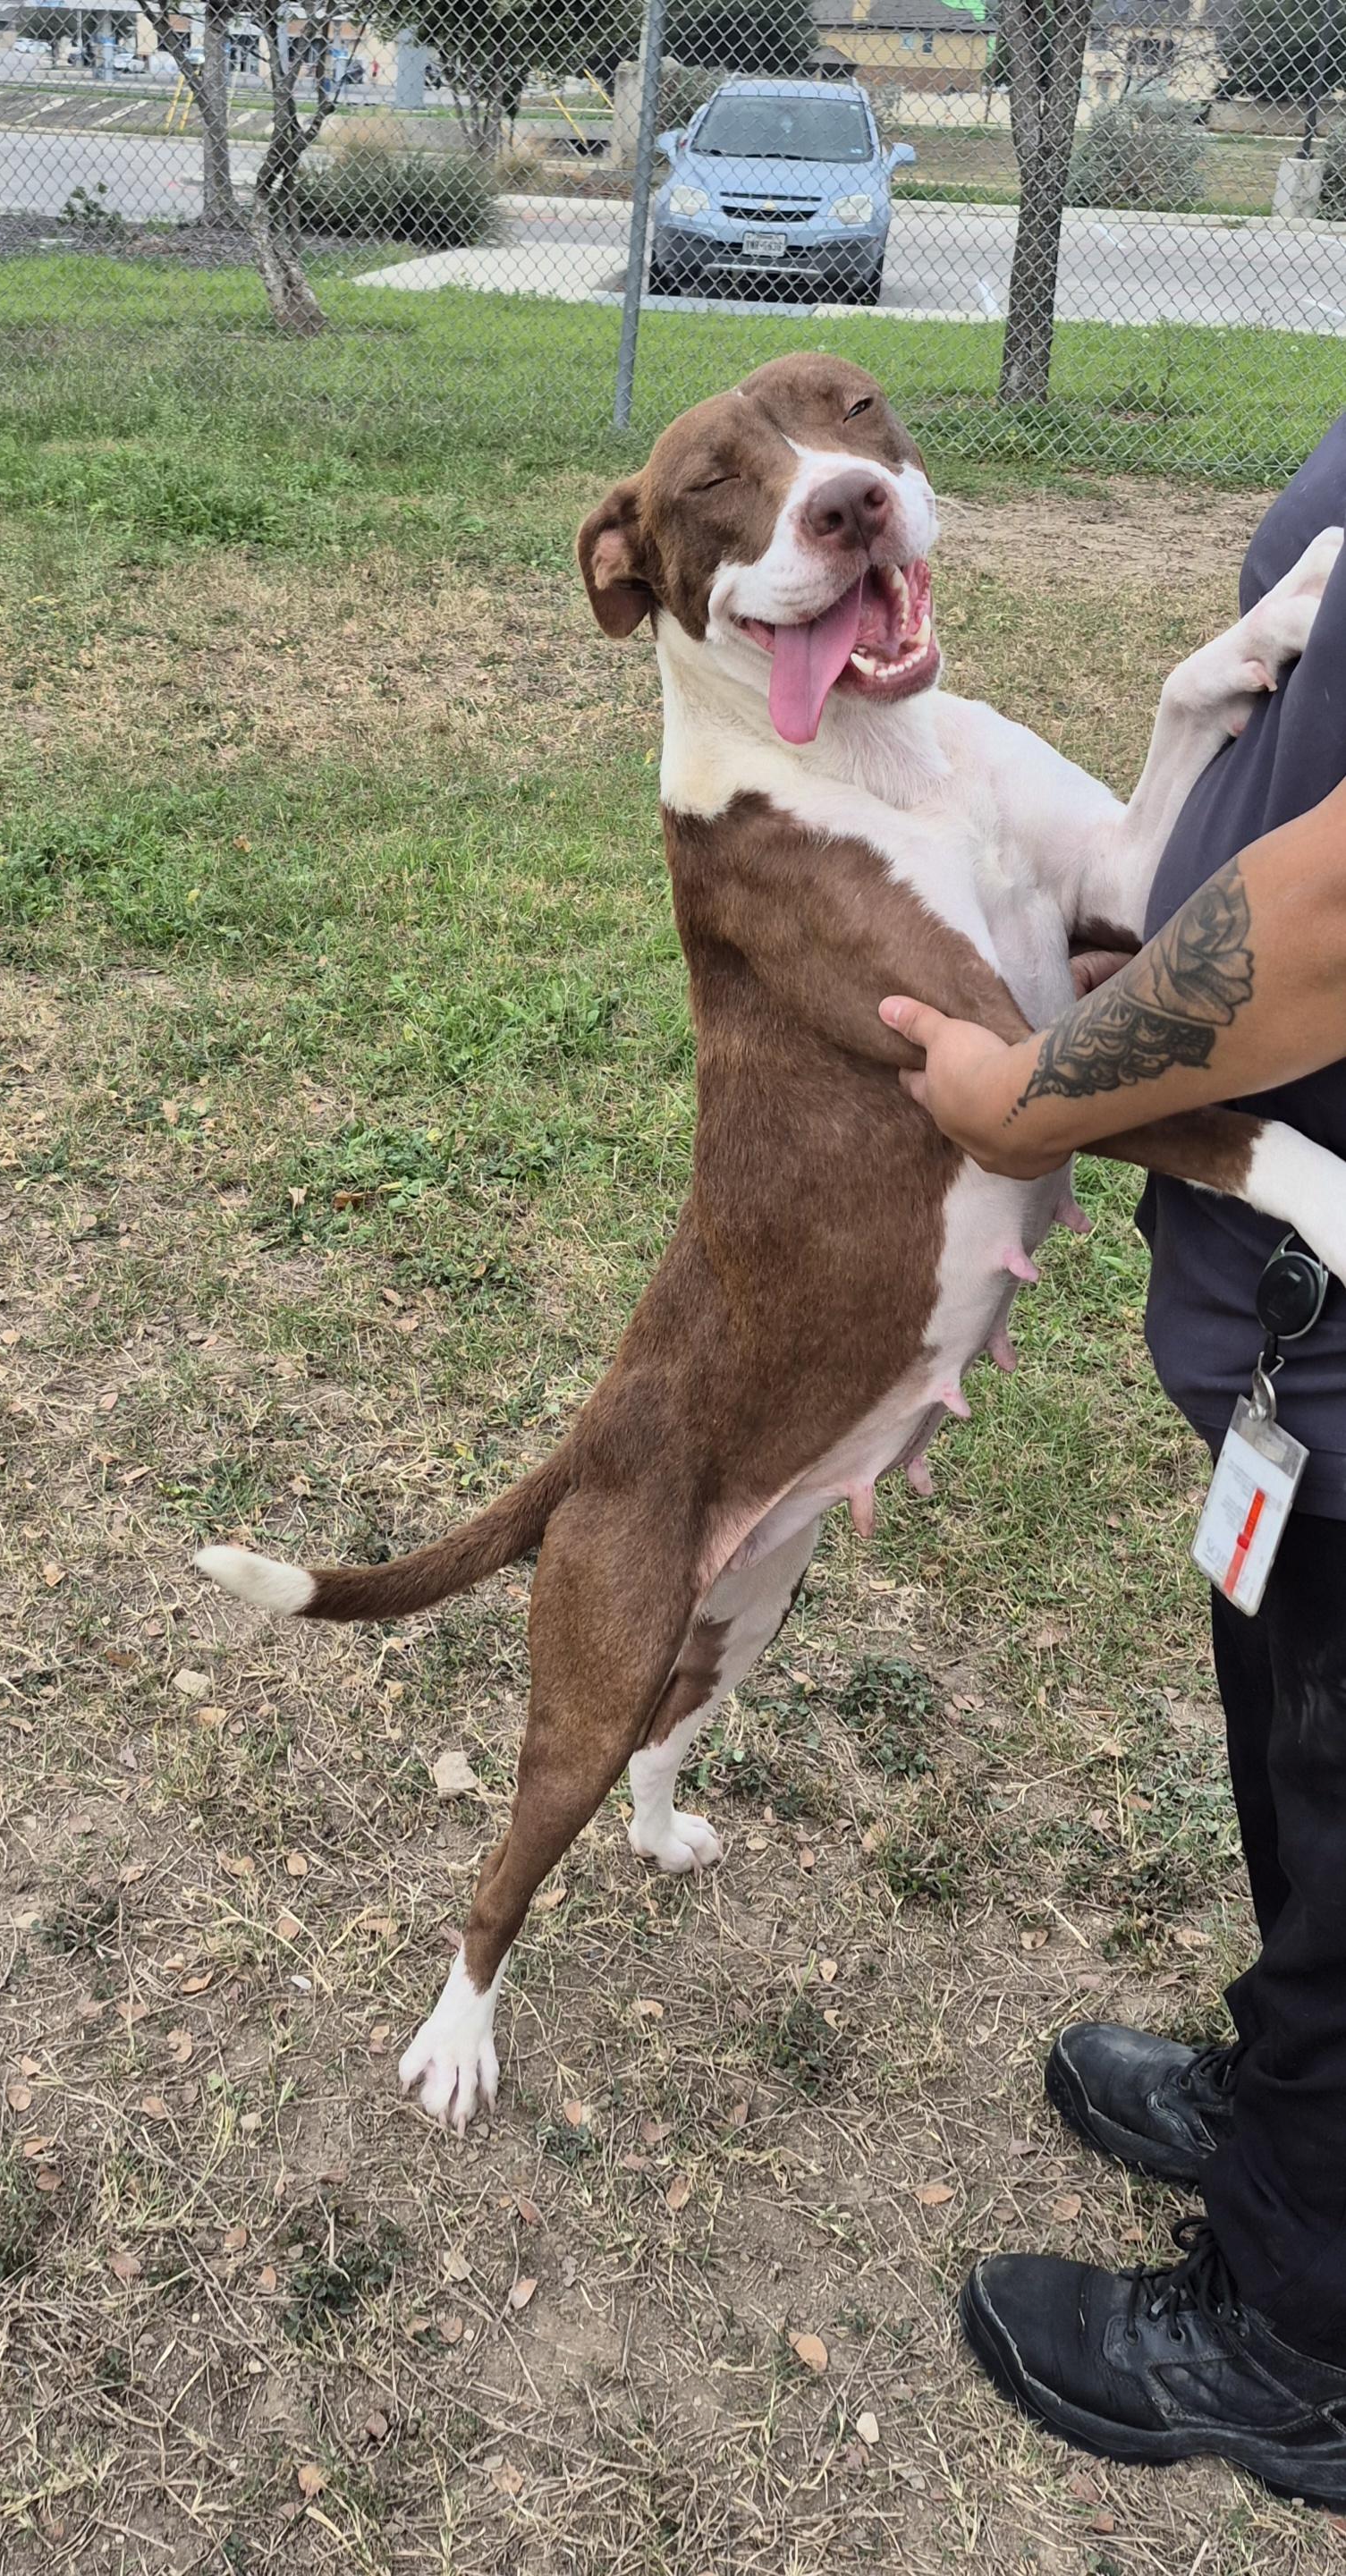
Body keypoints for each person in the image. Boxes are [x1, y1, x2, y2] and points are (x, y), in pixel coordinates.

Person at [878, 418, 1346, 2506]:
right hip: (1296, 1333)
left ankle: (1297, 2331)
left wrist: (1029, 1095)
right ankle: (1288, 2112)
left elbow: (1326, 917)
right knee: (1300, 1777)